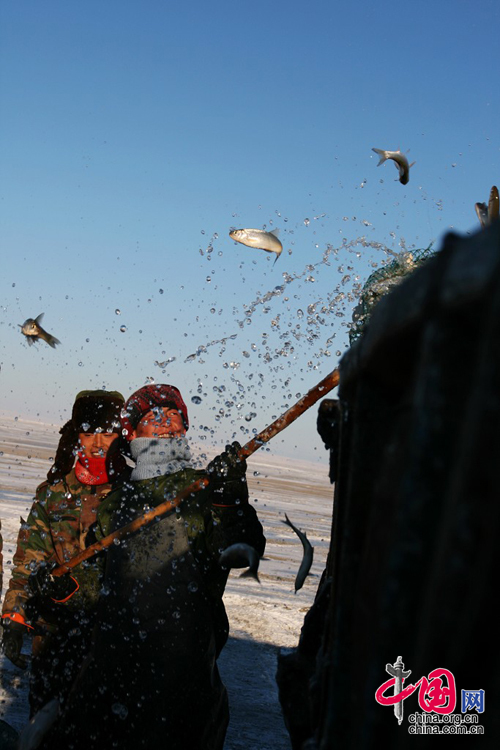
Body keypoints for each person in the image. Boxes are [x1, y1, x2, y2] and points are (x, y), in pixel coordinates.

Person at [42, 383, 266, 750]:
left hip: (181, 678)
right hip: (108, 673)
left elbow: (243, 551)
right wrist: (64, 590)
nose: (167, 424)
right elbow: (101, 584)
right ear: (130, 433)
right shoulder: (116, 502)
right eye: (153, 417)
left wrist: (230, 499)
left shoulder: (203, 489)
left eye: (175, 415)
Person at [1, 390, 128, 715]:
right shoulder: (52, 497)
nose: (99, 444)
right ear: (76, 436)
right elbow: (28, 564)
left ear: (123, 435)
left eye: (109, 433)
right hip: (55, 644)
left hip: (121, 646)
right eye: (88, 433)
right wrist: (15, 619)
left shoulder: (139, 496)